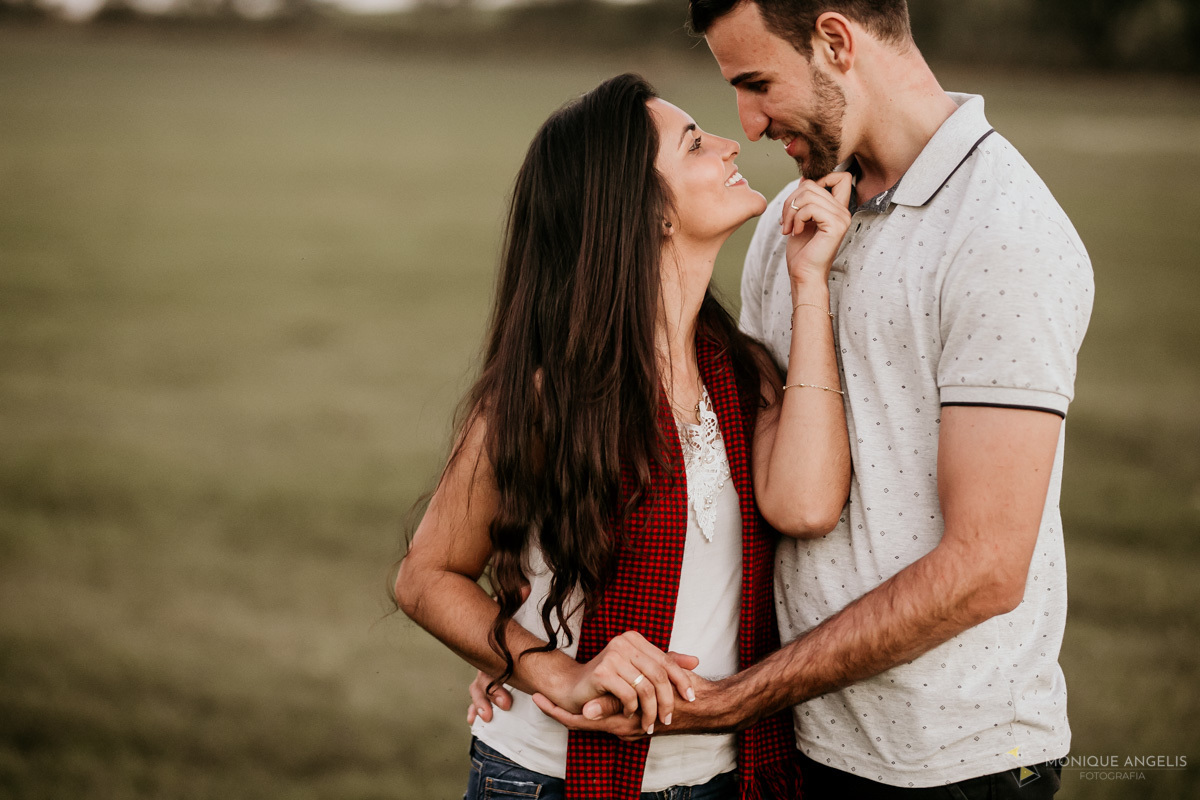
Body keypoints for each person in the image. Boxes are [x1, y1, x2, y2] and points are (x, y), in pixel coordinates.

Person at [523, 2, 1095, 798]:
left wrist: (734, 699)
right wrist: (530, 647)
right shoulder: (787, 228)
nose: (749, 125)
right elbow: (761, 490)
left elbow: (986, 569)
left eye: (757, 83)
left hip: (947, 762)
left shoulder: (1004, 234)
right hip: (792, 745)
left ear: (835, 42)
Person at [396, 73, 856, 800]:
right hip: (546, 776)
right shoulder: (554, 394)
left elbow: (807, 506)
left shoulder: (745, 375)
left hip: (719, 778)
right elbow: (425, 576)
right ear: (652, 213)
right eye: (696, 143)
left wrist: (810, 285)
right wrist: (558, 671)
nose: (732, 143)